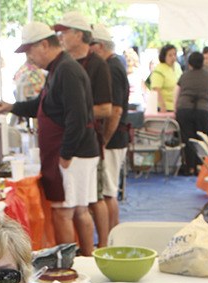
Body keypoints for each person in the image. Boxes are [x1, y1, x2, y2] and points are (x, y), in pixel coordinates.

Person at [0, 23, 99, 256]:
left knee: (65, 212)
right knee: (78, 210)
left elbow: (77, 116)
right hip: (76, 152)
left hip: (73, 154)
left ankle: (71, 263)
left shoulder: (66, 70)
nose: (29, 58)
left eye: (30, 51)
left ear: (44, 44)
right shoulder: (58, 69)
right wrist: (12, 107)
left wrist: (66, 155)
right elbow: (43, 107)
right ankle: (85, 259)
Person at [52, 11, 112, 249]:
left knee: (93, 199)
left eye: (64, 32)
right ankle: (91, 252)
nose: (60, 37)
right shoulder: (65, 63)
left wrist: (75, 111)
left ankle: (103, 246)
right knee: (84, 205)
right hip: (82, 139)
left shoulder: (98, 65)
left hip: (86, 142)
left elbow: (107, 109)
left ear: (79, 35)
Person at [90, 25, 130, 233]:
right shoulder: (113, 65)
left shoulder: (111, 68)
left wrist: (104, 140)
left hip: (113, 139)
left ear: (100, 46)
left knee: (107, 192)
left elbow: (115, 111)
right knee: (108, 190)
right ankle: (111, 236)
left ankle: (111, 236)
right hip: (115, 137)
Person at [174, 51, 208, 176]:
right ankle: (201, 166)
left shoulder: (184, 76)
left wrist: (175, 108)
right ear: (202, 62)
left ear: (189, 63)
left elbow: (176, 94)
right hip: (203, 110)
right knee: (202, 139)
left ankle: (190, 167)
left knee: (187, 139)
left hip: (184, 109)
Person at [149, 44, 180, 113]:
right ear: (164, 56)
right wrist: (162, 106)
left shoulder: (177, 66)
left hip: (177, 106)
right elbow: (156, 89)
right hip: (164, 107)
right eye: (170, 55)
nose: (173, 57)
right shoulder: (159, 69)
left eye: (175, 54)